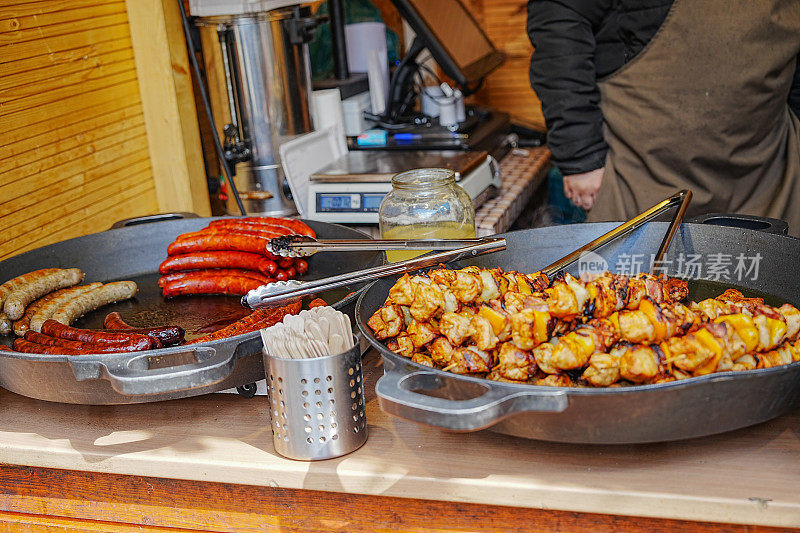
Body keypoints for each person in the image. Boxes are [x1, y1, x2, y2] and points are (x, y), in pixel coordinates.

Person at [527, 1, 800, 235]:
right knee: (633, 291)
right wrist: (580, 155)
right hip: (642, 177)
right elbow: (560, 18)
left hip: (769, 176)